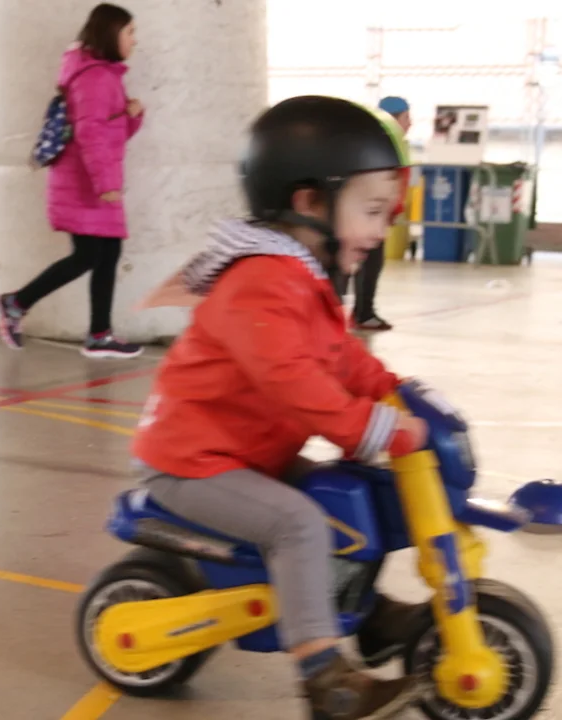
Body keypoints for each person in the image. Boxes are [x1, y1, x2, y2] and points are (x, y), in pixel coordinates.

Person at [132, 96, 428, 719]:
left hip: (242, 454)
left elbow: (337, 355)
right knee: (299, 525)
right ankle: (326, 680)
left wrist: (391, 387)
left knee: (351, 500)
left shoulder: (298, 275)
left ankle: (368, 616)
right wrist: (372, 427)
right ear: (310, 201)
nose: (381, 231)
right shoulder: (261, 282)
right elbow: (294, 379)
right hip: (192, 462)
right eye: (372, 211)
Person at [0, 3, 144, 359]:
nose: (135, 40)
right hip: (86, 183)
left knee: (107, 253)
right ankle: (16, 303)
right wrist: (106, 184)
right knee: (89, 255)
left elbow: (112, 134)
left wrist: (132, 116)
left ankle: (99, 334)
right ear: (111, 34)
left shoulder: (104, 76)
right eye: (130, 32)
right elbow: (91, 135)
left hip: (93, 180)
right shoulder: (94, 78)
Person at [342, 95, 412, 331]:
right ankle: (360, 314)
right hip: (367, 214)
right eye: (407, 117)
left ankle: (360, 312)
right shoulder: (385, 142)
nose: (410, 123)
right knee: (359, 264)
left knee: (365, 263)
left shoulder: (382, 141)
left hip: (373, 213)